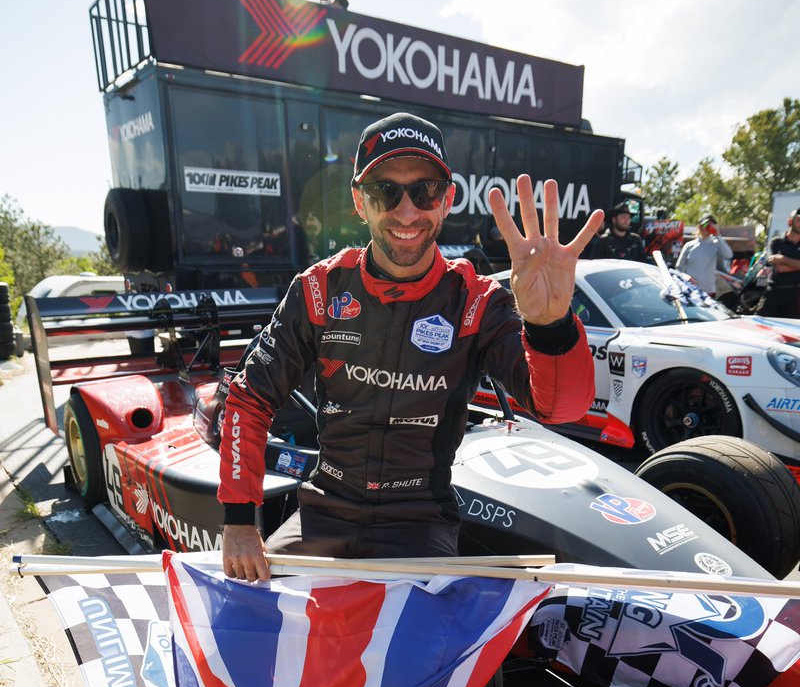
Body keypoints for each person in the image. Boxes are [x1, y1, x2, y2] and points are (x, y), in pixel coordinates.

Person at [218, 111, 602, 581]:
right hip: (324, 514)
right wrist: (239, 522)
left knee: (418, 654)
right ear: (360, 202)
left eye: (425, 192)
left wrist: (550, 325)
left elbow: (558, 409)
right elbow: (248, 399)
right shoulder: (319, 289)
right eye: (386, 192)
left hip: (419, 526)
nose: (406, 212)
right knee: (253, 626)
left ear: (447, 201)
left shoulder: (476, 301)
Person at [675, 213, 733, 297]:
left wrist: (718, 235)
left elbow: (728, 255)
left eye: (711, 225)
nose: (708, 227)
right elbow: (678, 269)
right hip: (690, 290)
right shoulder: (689, 245)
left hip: (708, 291)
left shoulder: (716, 244)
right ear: (699, 227)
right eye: (706, 224)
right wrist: (687, 278)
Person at [760, 207, 800, 318]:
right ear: (790, 221)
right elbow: (780, 268)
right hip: (774, 292)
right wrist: (796, 264)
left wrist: (782, 259)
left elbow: (781, 263)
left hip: (795, 296)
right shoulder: (777, 241)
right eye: (799, 220)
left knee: (792, 331)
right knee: (765, 327)